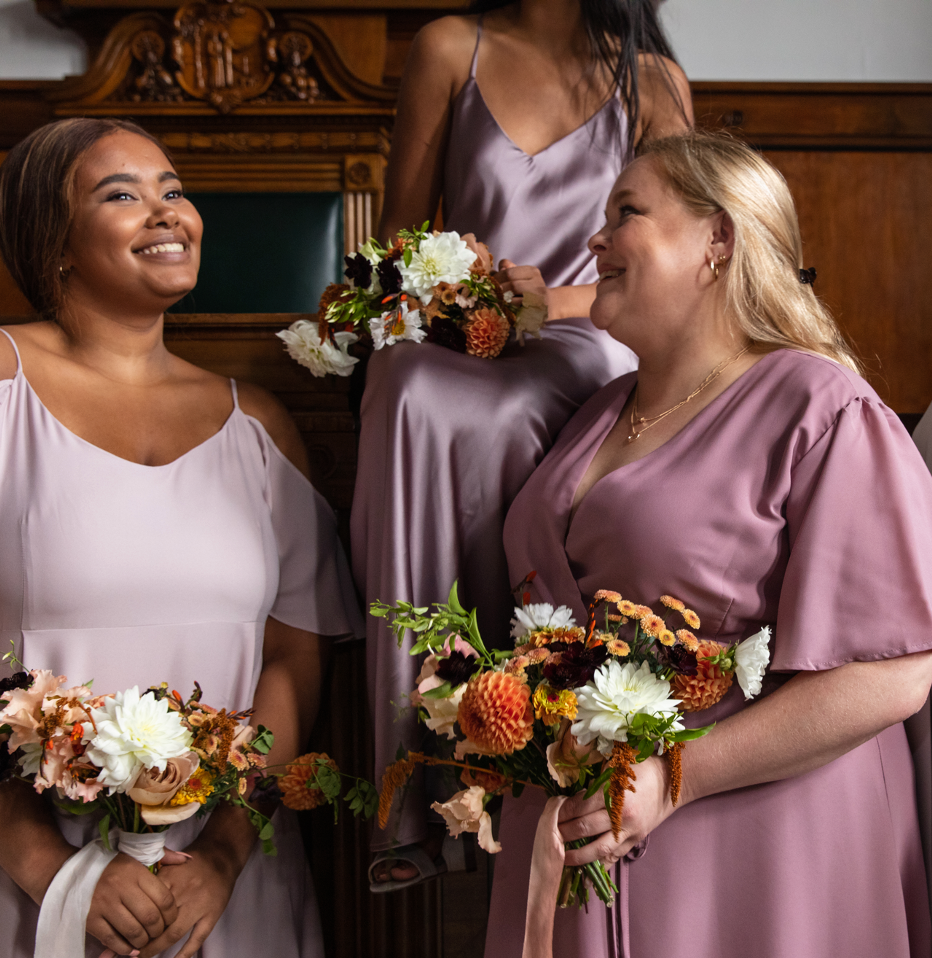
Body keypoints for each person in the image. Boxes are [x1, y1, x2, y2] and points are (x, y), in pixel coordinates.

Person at [486, 131, 932, 956]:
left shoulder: (822, 406)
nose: (595, 240)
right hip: (581, 829)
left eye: (626, 212)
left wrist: (673, 778)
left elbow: (893, 673)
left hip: (763, 849)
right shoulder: (599, 409)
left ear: (718, 240)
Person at [0, 119, 357, 956]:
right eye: (122, 195)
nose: (167, 213)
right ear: (56, 243)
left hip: (217, 891)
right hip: (6, 870)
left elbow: (295, 662)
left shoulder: (259, 426)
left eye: (174, 192)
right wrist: (57, 874)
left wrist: (224, 859)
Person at [356, 0, 693, 885]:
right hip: (458, 330)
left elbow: (684, 250)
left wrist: (556, 304)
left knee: (504, 414)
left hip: (589, 329)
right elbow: (397, 235)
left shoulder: (650, 81)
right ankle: (414, 774)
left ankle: (509, 748)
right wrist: (454, 289)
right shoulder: (447, 48)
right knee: (407, 387)